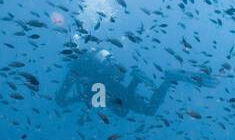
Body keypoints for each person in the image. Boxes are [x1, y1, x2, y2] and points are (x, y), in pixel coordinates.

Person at [54, 48, 206, 117]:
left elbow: (61, 100)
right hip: (113, 86)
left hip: (104, 91)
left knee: (141, 110)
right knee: (126, 108)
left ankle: (167, 79)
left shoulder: (74, 70)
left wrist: (73, 99)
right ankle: (141, 80)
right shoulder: (91, 61)